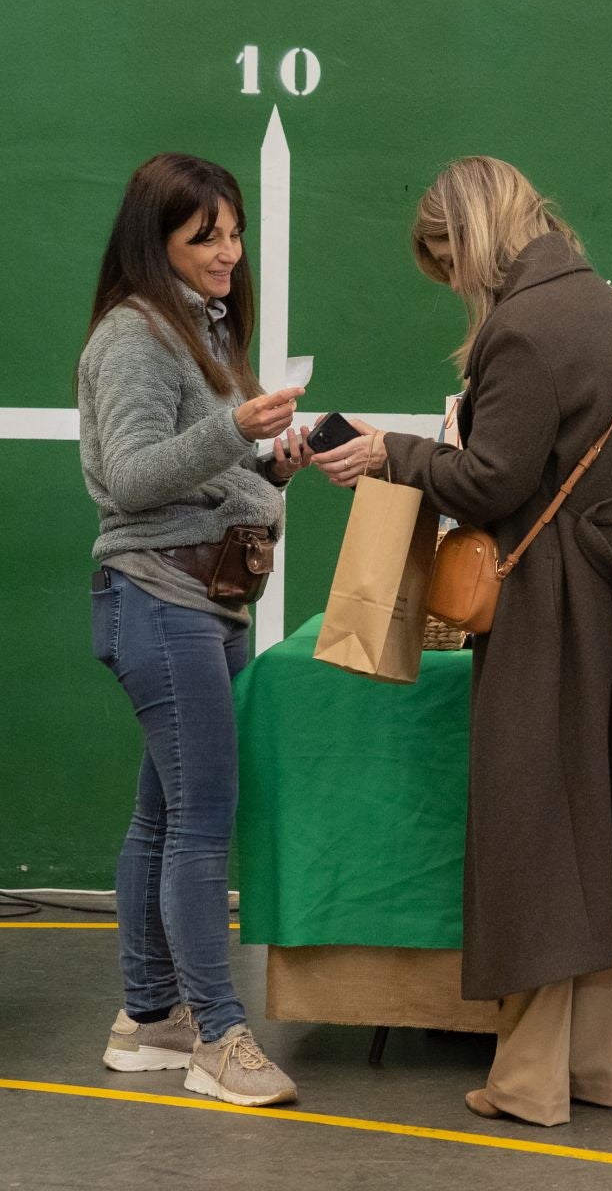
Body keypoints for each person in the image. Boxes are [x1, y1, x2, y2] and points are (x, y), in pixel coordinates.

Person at [311, 156, 612, 1127]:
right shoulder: (610, 310)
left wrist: (387, 453)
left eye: (443, 259)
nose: (450, 282)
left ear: (468, 239)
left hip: (555, 605)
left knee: (536, 830)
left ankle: (529, 1079)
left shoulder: (523, 328)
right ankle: (605, 1068)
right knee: (606, 826)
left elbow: (490, 481)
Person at [78, 153, 312, 1106]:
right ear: (156, 242)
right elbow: (132, 479)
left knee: (167, 816)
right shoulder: (136, 337)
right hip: (160, 600)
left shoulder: (199, 330)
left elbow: (203, 478)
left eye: (234, 230)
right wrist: (236, 432)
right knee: (202, 823)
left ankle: (147, 1018)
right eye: (204, 235)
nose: (229, 251)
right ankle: (218, 1038)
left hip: (203, 602)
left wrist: (275, 464)